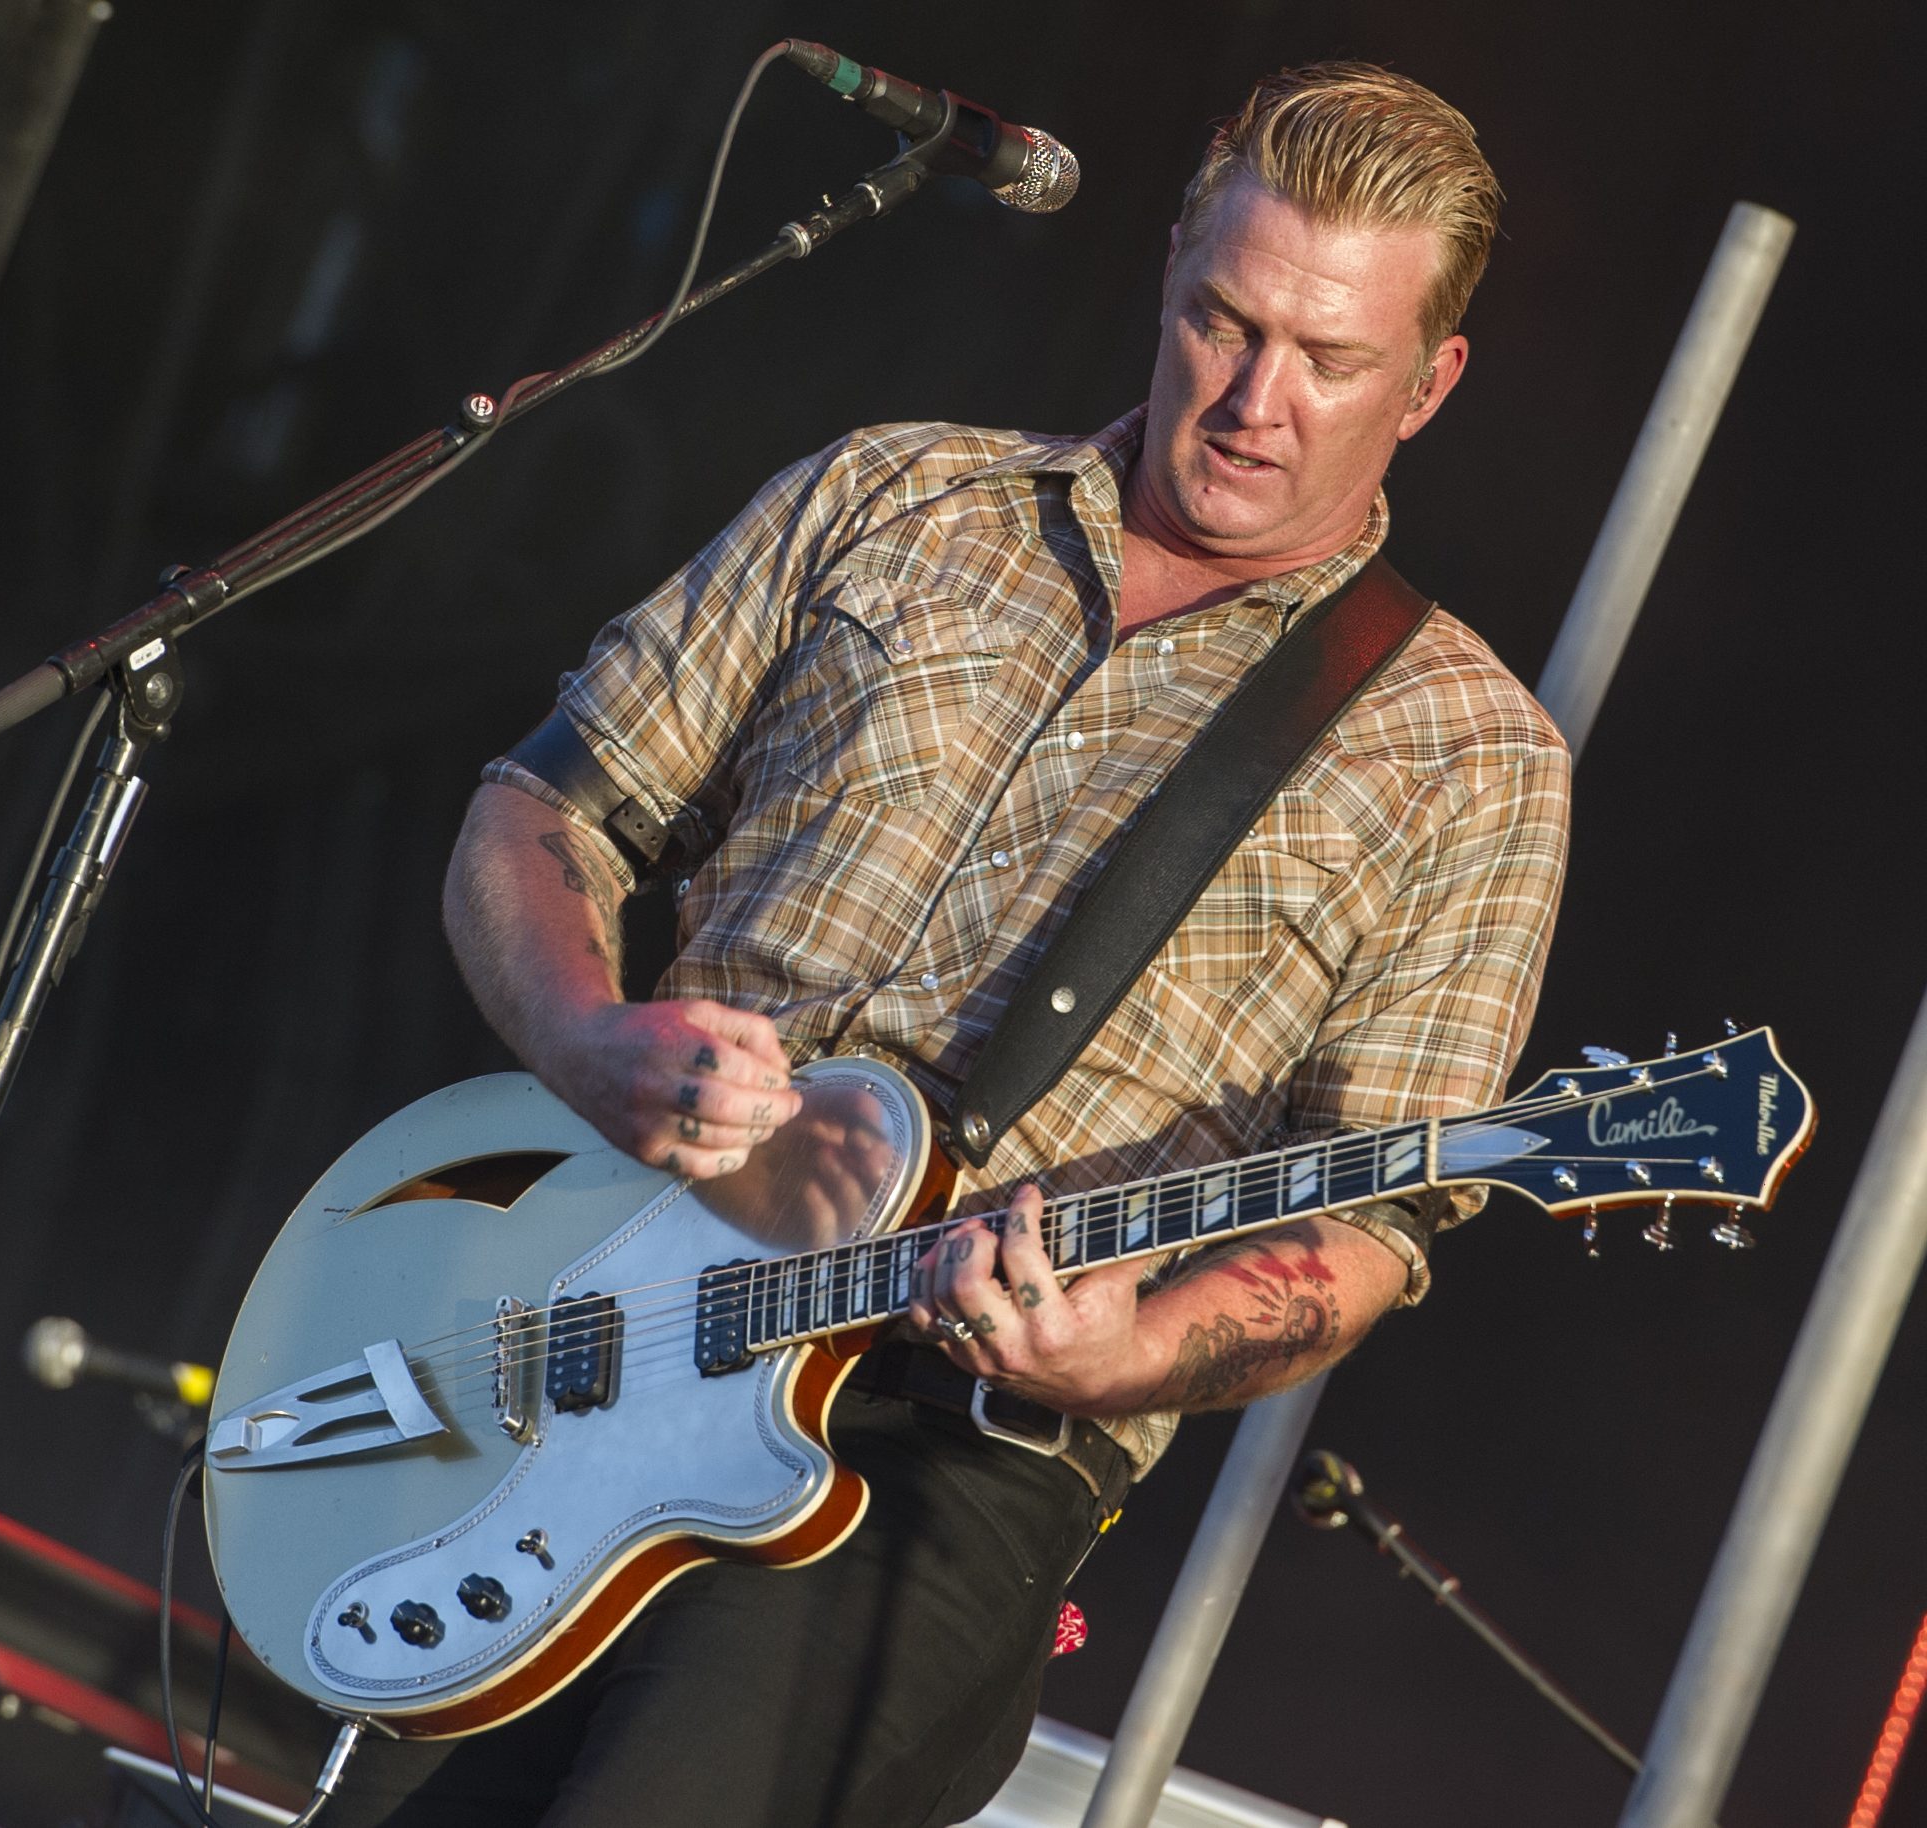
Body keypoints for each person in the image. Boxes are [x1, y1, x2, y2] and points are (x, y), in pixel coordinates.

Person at [379, 62, 1569, 1828]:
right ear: (1168, 267)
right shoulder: (895, 496)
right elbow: (541, 807)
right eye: (1224, 322)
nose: (1255, 400)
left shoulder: (1467, 757)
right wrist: (582, 1035)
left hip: (940, 1453)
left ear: (1431, 381)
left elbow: (1367, 1230)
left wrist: (1129, 1349)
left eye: (1330, 361)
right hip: (601, 1309)